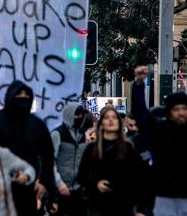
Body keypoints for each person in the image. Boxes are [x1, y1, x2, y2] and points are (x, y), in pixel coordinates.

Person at [0, 80, 57, 214]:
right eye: (19, 94)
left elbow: (48, 156)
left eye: (25, 94)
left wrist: (44, 183)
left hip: (29, 188)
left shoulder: (37, 124)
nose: (23, 97)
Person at [131, 66, 187, 215]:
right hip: (164, 195)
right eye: (176, 109)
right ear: (169, 112)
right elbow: (141, 114)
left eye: (184, 108)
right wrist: (138, 84)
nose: (181, 113)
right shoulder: (160, 131)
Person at [76, 107, 149, 216]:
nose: (111, 120)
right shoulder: (92, 148)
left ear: (120, 123)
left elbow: (139, 178)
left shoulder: (128, 148)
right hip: (98, 205)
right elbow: (82, 176)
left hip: (123, 204)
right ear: (101, 123)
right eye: (106, 118)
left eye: (114, 117)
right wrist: (96, 184)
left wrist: (140, 209)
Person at [49, 103, 90, 216]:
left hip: (78, 188)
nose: (79, 117)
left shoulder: (83, 135)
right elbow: (50, 161)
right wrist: (59, 183)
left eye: (81, 115)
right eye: (77, 114)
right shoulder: (57, 134)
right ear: (69, 114)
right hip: (59, 189)